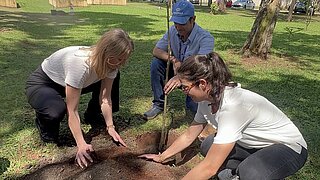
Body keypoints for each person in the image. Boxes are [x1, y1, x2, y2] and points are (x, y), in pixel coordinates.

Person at [140, 52, 308, 180]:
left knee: (251, 172)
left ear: (203, 84)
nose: (183, 92)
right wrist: (162, 157)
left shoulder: (234, 107)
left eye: (184, 87)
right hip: (254, 145)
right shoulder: (207, 99)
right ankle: (238, 171)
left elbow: (210, 168)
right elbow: (190, 134)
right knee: (208, 145)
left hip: (288, 148)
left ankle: (247, 172)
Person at [26, 28, 134, 168]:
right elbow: (72, 110)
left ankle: (92, 114)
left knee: (114, 77)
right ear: (108, 53)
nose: (122, 64)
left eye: (124, 60)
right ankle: (43, 121)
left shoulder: (111, 65)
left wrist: (110, 126)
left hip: (74, 82)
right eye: (120, 59)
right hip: (45, 83)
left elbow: (105, 98)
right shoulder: (80, 65)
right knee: (56, 111)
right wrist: (81, 144)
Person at [143, 0, 215, 120]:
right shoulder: (172, 30)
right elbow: (156, 50)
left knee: (193, 107)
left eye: (182, 23)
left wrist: (181, 77)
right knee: (156, 63)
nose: (178, 26)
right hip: (175, 70)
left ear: (193, 19)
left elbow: (203, 66)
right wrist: (174, 60)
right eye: (176, 22)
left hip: (195, 76)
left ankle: (195, 104)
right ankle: (159, 104)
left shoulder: (206, 38)